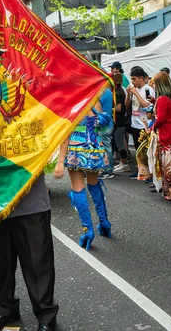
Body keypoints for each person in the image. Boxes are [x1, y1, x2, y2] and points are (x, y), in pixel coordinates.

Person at [0, 174, 58, 331]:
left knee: (37, 264)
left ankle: (46, 315)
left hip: (30, 200)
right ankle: (5, 310)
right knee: (0, 264)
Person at [55, 100, 112, 251]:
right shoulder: (95, 101)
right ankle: (104, 222)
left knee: (78, 189)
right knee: (94, 185)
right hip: (95, 150)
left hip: (75, 150)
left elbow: (65, 135)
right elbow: (103, 124)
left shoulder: (71, 101)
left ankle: (88, 231)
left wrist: (60, 162)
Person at [126, 67, 154, 179]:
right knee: (138, 149)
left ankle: (150, 173)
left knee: (146, 150)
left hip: (144, 124)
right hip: (134, 122)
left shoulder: (148, 90)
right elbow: (127, 105)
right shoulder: (134, 89)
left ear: (141, 78)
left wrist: (136, 93)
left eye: (134, 79)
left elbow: (147, 106)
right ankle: (141, 171)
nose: (133, 82)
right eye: (131, 79)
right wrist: (129, 94)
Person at [112, 73, 130, 173]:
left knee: (120, 143)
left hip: (119, 121)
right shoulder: (121, 90)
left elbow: (118, 108)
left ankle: (124, 163)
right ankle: (122, 162)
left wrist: (110, 110)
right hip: (121, 120)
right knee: (120, 142)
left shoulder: (117, 92)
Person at [99, 87, 115, 179]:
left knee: (105, 147)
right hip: (106, 123)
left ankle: (108, 170)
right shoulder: (108, 91)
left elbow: (96, 105)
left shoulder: (102, 91)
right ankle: (106, 169)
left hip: (104, 125)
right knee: (105, 146)